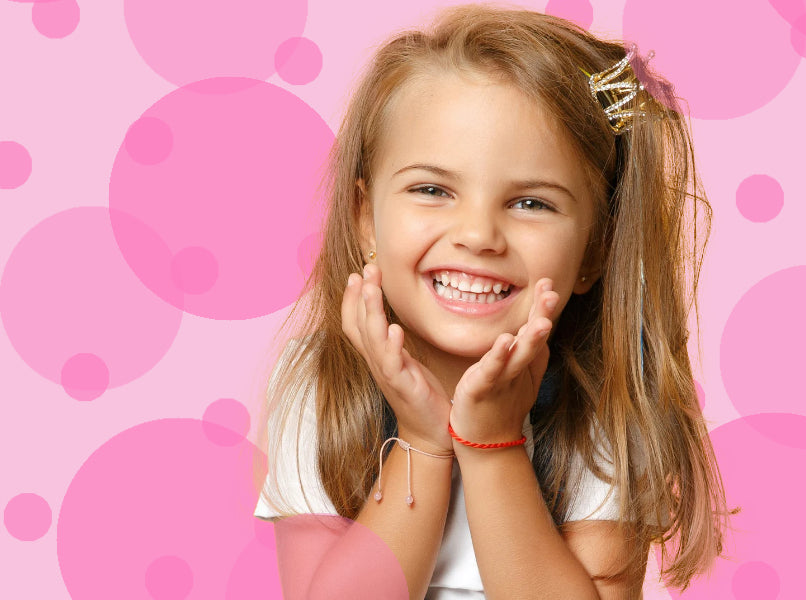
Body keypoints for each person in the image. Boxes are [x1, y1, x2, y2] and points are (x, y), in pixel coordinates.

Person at [251, 4, 729, 599]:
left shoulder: (601, 406)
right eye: (432, 190)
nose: (478, 235)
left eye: (531, 203)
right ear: (363, 219)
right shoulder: (318, 386)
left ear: (594, 250)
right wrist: (422, 441)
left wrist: (492, 444)